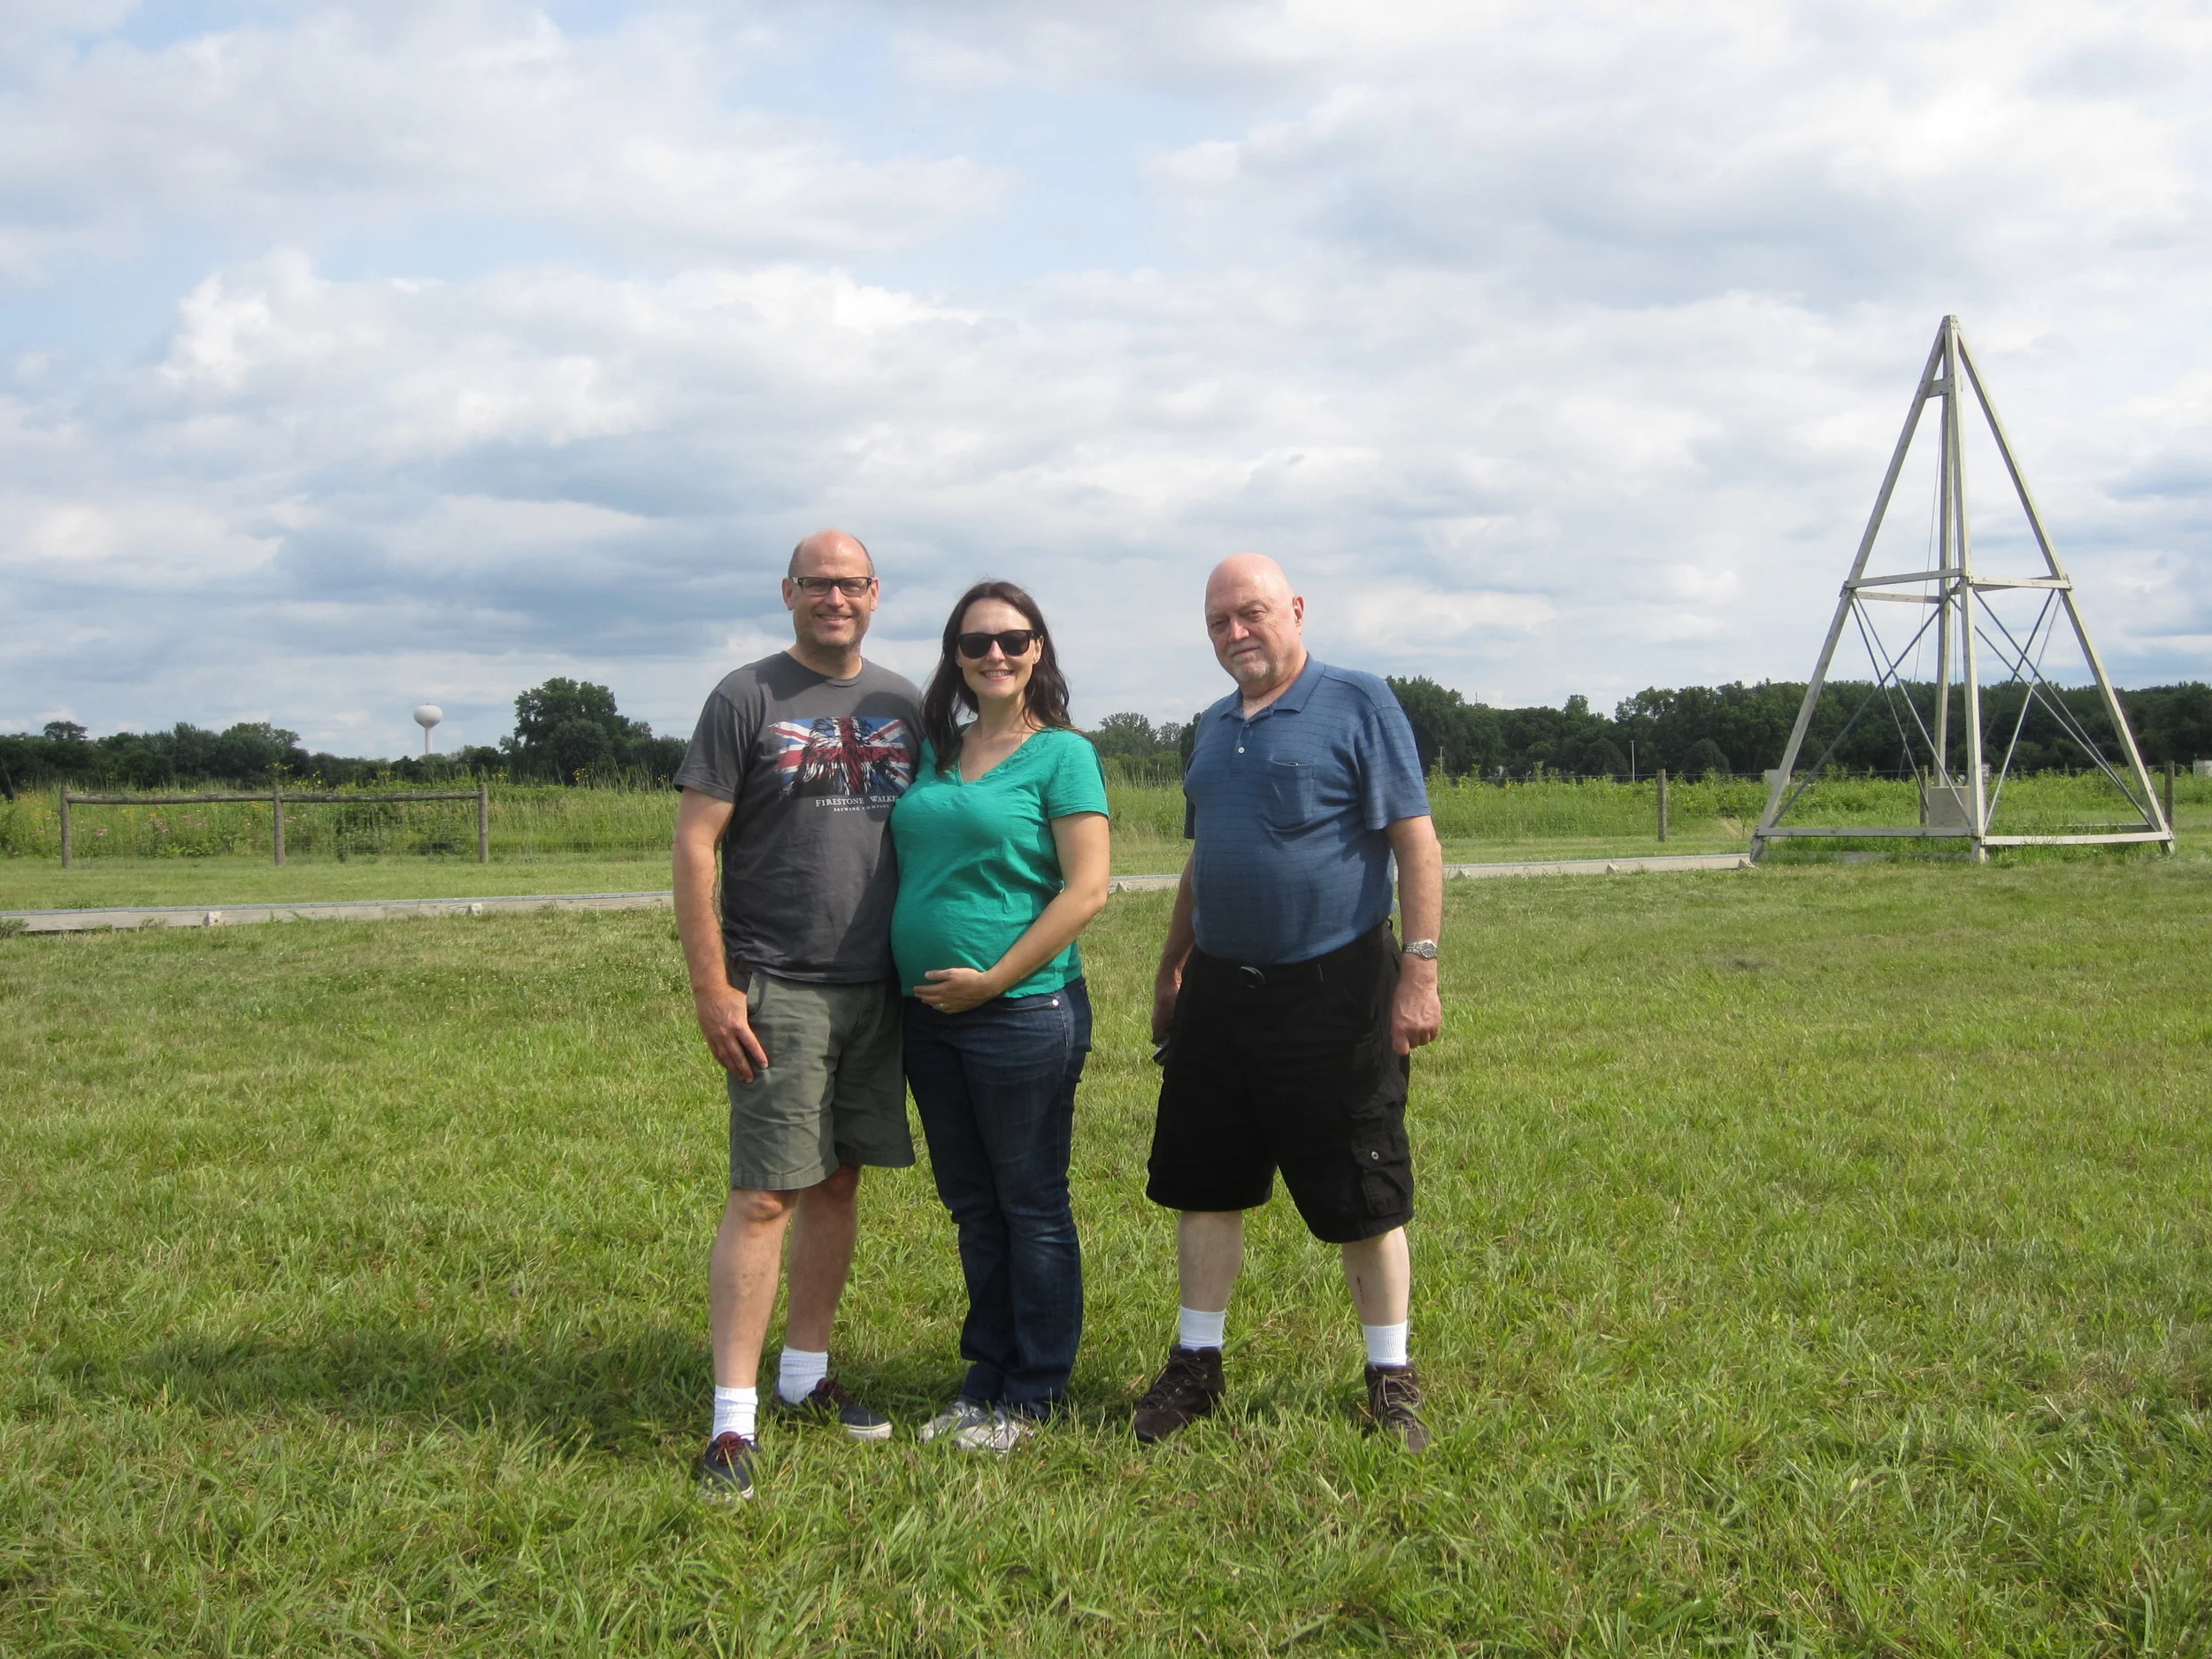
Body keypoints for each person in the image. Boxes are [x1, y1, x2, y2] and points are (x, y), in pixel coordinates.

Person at [1134, 554, 1444, 1450]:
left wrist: (1418, 972)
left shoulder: (1357, 701)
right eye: (1219, 621)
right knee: (1205, 1182)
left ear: (1295, 610)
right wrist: (1170, 969)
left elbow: (1415, 844)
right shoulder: (1210, 726)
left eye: (1252, 614)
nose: (1236, 633)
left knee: (1365, 1184)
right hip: (1222, 995)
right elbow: (1205, 859)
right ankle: (1197, 1366)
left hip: (1335, 988)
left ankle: (1390, 1376)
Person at [671, 528, 923, 1502]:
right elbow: (696, 846)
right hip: (780, 981)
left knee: (840, 1184)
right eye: (816, 583)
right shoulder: (746, 696)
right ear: (788, 592)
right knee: (766, 1193)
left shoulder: (903, 702)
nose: (834, 597)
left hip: (880, 984)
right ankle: (732, 1424)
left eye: (850, 583)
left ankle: (806, 1375)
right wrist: (713, 984)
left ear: (874, 592)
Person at [891, 580, 1112, 1453]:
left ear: (1038, 652)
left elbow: (1085, 889)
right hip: (927, 1018)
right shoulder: (934, 753)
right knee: (973, 1207)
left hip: (1022, 1012)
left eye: (1013, 641)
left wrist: (993, 979)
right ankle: (982, 1378)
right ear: (954, 655)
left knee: (1030, 1202)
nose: (996, 655)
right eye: (977, 642)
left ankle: (1033, 1393)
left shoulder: (1062, 754)